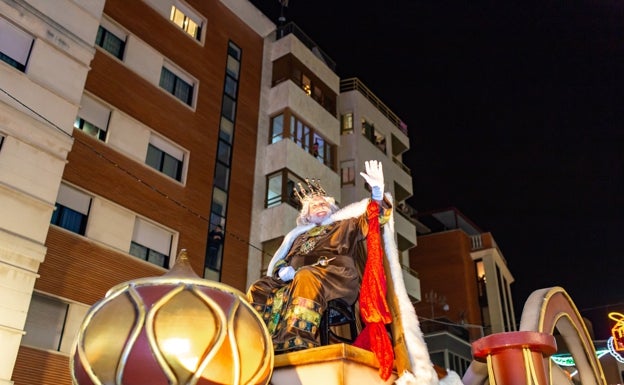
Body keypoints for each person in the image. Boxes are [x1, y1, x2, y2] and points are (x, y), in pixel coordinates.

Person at [246, 160, 392, 352]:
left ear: (331, 208)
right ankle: (254, 340)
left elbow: (375, 219)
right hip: (298, 279)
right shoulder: (299, 237)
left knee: (306, 276)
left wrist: (377, 194)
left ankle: (295, 340)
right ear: (306, 216)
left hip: (337, 277)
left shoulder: (345, 225)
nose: (320, 206)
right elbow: (283, 259)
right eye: (314, 205)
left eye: (323, 203)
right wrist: (282, 270)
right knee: (259, 287)